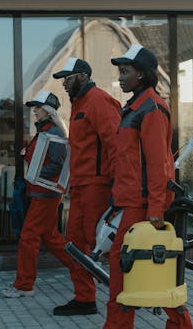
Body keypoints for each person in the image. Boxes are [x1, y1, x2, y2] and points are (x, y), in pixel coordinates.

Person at [104, 44, 193, 329]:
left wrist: (156, 208)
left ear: (142, 74)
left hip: (143, 206)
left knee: (131, 267)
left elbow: (159, 165)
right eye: (120, 71)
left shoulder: (151, 109)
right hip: (131, 201)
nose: (120, 77)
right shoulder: (134, 108)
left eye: (125, 71)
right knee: (146, 269)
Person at [51, 57, 121, 316]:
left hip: (98, 185)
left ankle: (124, 298)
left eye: (67, 79)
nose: (65, 85)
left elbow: (116, 144)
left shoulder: (99, 102)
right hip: (80, 187)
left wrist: (117, 185)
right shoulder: (79, 104)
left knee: (100, 245)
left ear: (82, 75)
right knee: (74, 244)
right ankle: (84, 298)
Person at [2, 91, 85, 299]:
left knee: (28, 237)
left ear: (48, 111)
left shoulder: (53, 131)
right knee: (51, 237)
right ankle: (82, 267)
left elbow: (57, 164)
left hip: (45, 194)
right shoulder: (45, 130)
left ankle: (24, 285)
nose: (35, 111)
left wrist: (35, 173)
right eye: (34, 108)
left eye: (38, 108)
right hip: (42, 192)